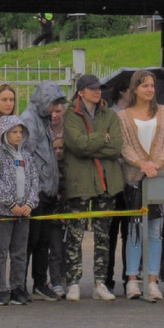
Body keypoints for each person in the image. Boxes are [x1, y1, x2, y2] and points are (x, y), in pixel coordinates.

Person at [62, 74, 124, 302]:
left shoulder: (110, 115)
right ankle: (73, 282)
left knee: (103, 235)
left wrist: (92, 143)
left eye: (100, 88)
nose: (98, 92)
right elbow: (77, 145)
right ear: (81, 92)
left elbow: (116, 147)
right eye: (93, 88)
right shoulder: (71, 114)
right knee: (75, 235)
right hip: (80, 182)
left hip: (107, 182)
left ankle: (100, 282)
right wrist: (102, 138)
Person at [117, 70, 164, 300]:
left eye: (152, 85)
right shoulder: (123, 116)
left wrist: (157, 163)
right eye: (144, 86)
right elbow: (125, 147)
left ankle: (152, 280)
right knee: (134, 230)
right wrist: (143, 164)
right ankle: (132, 280)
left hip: (160, 178)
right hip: (134, 177)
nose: (150, 89)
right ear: (134, 89)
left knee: (155, 230)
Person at [19, 81, 67, 301]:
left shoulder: (42, 120)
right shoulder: (29, 119)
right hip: (35, 191)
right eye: (52, 104)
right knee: (30, 240)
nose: (54, 110)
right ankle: (20, 284)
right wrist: (31, 188)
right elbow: (25, 155)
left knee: (43, 241)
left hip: (46, 190)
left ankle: (39, 282)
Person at [0, 115, 38, 306]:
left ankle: (18, 288)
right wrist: (10, 204)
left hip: (23, 212)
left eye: (20, 132)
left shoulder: (27, 157)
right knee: (0, 252)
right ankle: (0, 289)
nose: (17, 136)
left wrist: (29, 204)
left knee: (19, 252)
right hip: (2, 211)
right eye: (14, 132)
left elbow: (33, 182)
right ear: (5, 133)